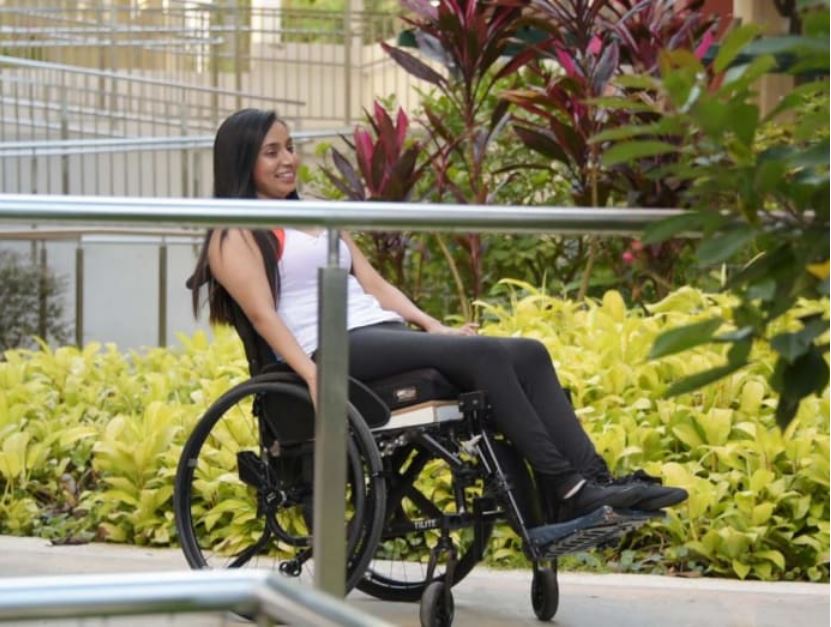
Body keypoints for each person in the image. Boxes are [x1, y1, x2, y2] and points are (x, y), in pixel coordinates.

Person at [188, 108, 688, 523]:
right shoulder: (233, 234)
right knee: (486, 355)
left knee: (530, 353)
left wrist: (432, 326)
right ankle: (567, 488)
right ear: (242, 162)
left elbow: (376, 285)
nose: (288, 160)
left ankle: (594, 478)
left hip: (377, 333)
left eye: (290, 147)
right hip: (330, 347)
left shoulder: (316, 216)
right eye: (271, 152)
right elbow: (262, 316)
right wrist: (312, 372)